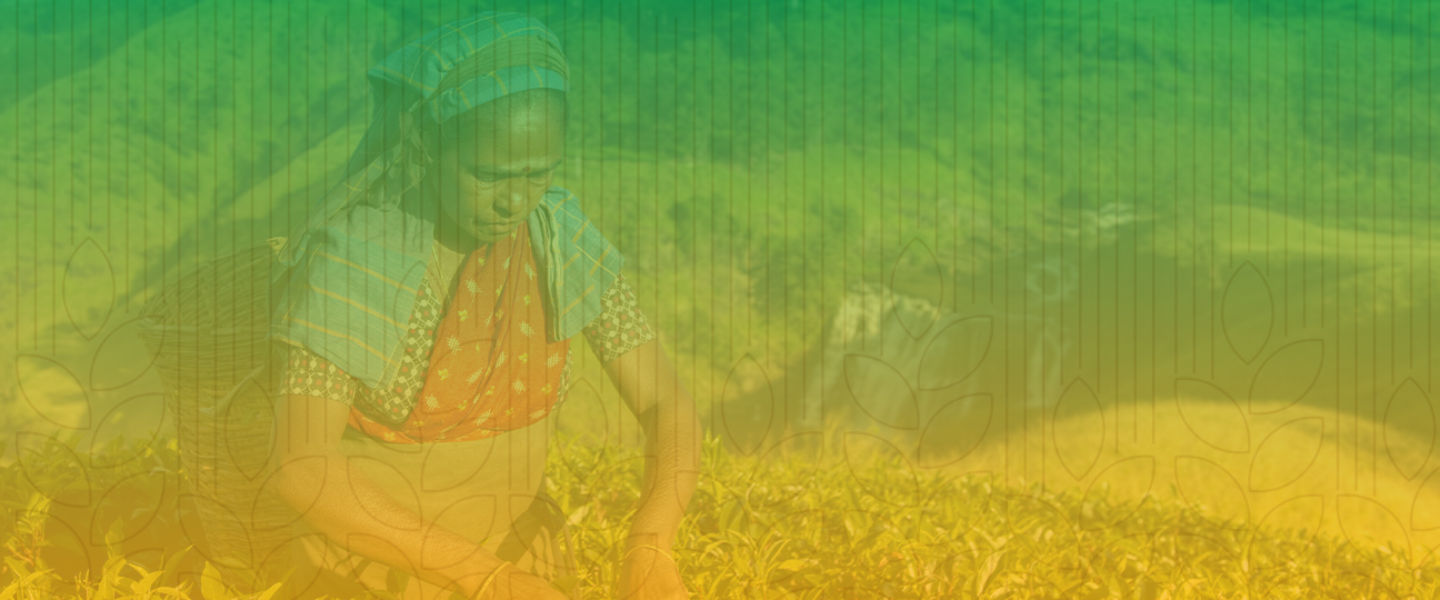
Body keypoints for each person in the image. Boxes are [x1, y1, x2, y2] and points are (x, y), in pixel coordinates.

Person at [260, 12, 701, 600]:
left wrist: (651, 543)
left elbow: (664, 401)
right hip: (365, 574)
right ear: (427, 143)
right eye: (488, 175)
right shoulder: (359, 259)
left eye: (539, 173)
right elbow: (303, 465)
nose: (515, 200)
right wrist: (481, 578)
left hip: (522, 565)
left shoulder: (559, 239)